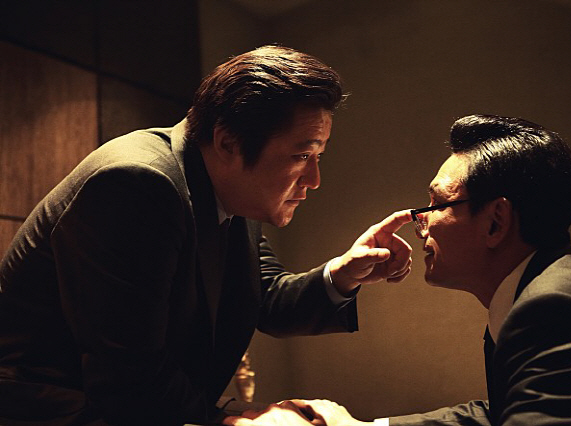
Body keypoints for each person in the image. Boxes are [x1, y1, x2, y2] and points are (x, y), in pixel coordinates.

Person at [0, 45, 413, 425]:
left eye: (318, 156)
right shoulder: (137, 183)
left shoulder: (227, 190)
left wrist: (343, 274)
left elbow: (266, 298)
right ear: (228, 142)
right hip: (50, 409)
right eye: (302, 155)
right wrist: (234, 422)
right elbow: (127, 370)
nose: (314, 179)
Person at [226, 114, 571, 425]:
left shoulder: (557, 312)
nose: (420, 220)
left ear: (495, 222)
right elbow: (498, 415)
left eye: (437, 204)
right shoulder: (555, 289)